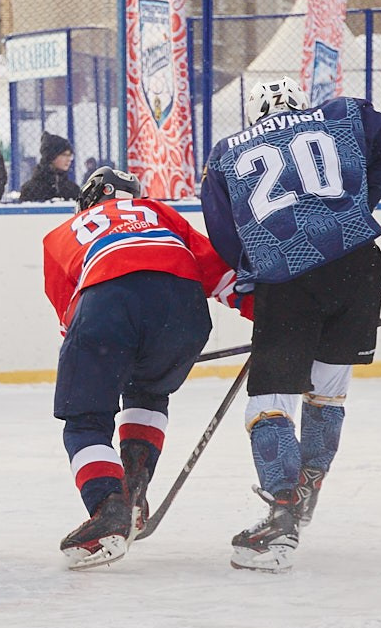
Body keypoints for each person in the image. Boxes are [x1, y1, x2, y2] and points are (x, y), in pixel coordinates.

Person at [200, 77, 381, 571]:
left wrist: (258, 275)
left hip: (288, 271)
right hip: (360, 268)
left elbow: (223, 233)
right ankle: (308, 483)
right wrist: (356, 203)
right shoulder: (341, 114)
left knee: (267, 402)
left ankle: (282, 517)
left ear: (256, 114)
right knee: (328, 390)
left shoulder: (226, 152)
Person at [42, 168, 246, 569]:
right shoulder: (158, 212)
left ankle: (108, 508)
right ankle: (133, 491)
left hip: (106, 303)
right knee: (149, 391)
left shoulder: (64, 231)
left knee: (85, 418)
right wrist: (277, 323)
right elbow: (220, 274)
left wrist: (96, 365)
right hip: (184, 309)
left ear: (91, 198)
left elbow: (69, 317)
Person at [18, 132, 82, 204]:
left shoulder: (73, 189)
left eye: (70, 156)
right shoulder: (31, 190)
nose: (69, 159)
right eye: (64, 155)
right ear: (51, 156)